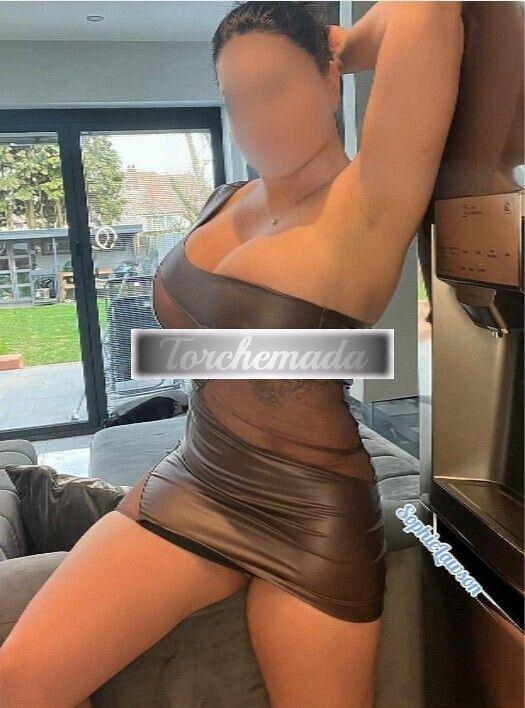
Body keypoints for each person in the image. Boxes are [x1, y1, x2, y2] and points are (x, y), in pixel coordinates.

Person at [0, 2, 464, 706]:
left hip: (308, 513)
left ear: (328, 77)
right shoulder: (226, 198)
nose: (255, 119)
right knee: (17, 683)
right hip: (196, 477)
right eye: (236, 97)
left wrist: (337, 41)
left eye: (274, 87)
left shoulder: (371, 197)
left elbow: (429, 12)